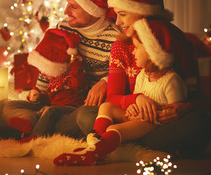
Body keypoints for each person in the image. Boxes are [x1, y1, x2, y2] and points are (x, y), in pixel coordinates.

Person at [75, 0, 211, 158]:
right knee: (85, 115)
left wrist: (184, 108)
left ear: (145, 13)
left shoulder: (177, 43)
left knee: (200, 123)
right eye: (116, 14)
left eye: (123, 14)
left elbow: (199, 100)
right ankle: (129, 142)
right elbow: (113, 97)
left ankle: (119, 142)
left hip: (161, 122)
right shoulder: (121, 46)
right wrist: (136, 99)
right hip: (130, 117)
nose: (117, 22)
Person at [0, 0, 121, 139]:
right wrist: (37, 94)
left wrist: (106, 81)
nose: (66, 11)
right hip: (58, 100)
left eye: (74, 7)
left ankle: (31, 132)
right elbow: (50, 66)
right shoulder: (63, 28)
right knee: (8, 108)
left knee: (86, 119)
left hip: (84, 107)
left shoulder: (116, 37)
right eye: (68, 4)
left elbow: (127, 75)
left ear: (94, 9)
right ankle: (43, 125)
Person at [53, 18, 190, 166]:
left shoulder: (171, 81)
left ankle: (96, 153)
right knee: (106, 107)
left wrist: (151, 113)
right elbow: (133, 96)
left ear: (152, 52)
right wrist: (132, 107)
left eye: (137, 47)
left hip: (152, 122)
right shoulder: (143, 75)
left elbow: (175, 114)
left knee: (113, 128)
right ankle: (95, 141)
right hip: (136, 117)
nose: (133, 51)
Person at [7, 28, 88, 139]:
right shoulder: (54, 81)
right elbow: (51, 99)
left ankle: (34, 137)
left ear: (57, 67)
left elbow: (78, 84)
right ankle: (22, 130)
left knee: (49, 110)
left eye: (46, 70)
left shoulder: (70, 76)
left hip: (71, 109)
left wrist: (75, 64)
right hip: (56, 110)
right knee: (43, 110)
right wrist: (39, 96)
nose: (43, 74)